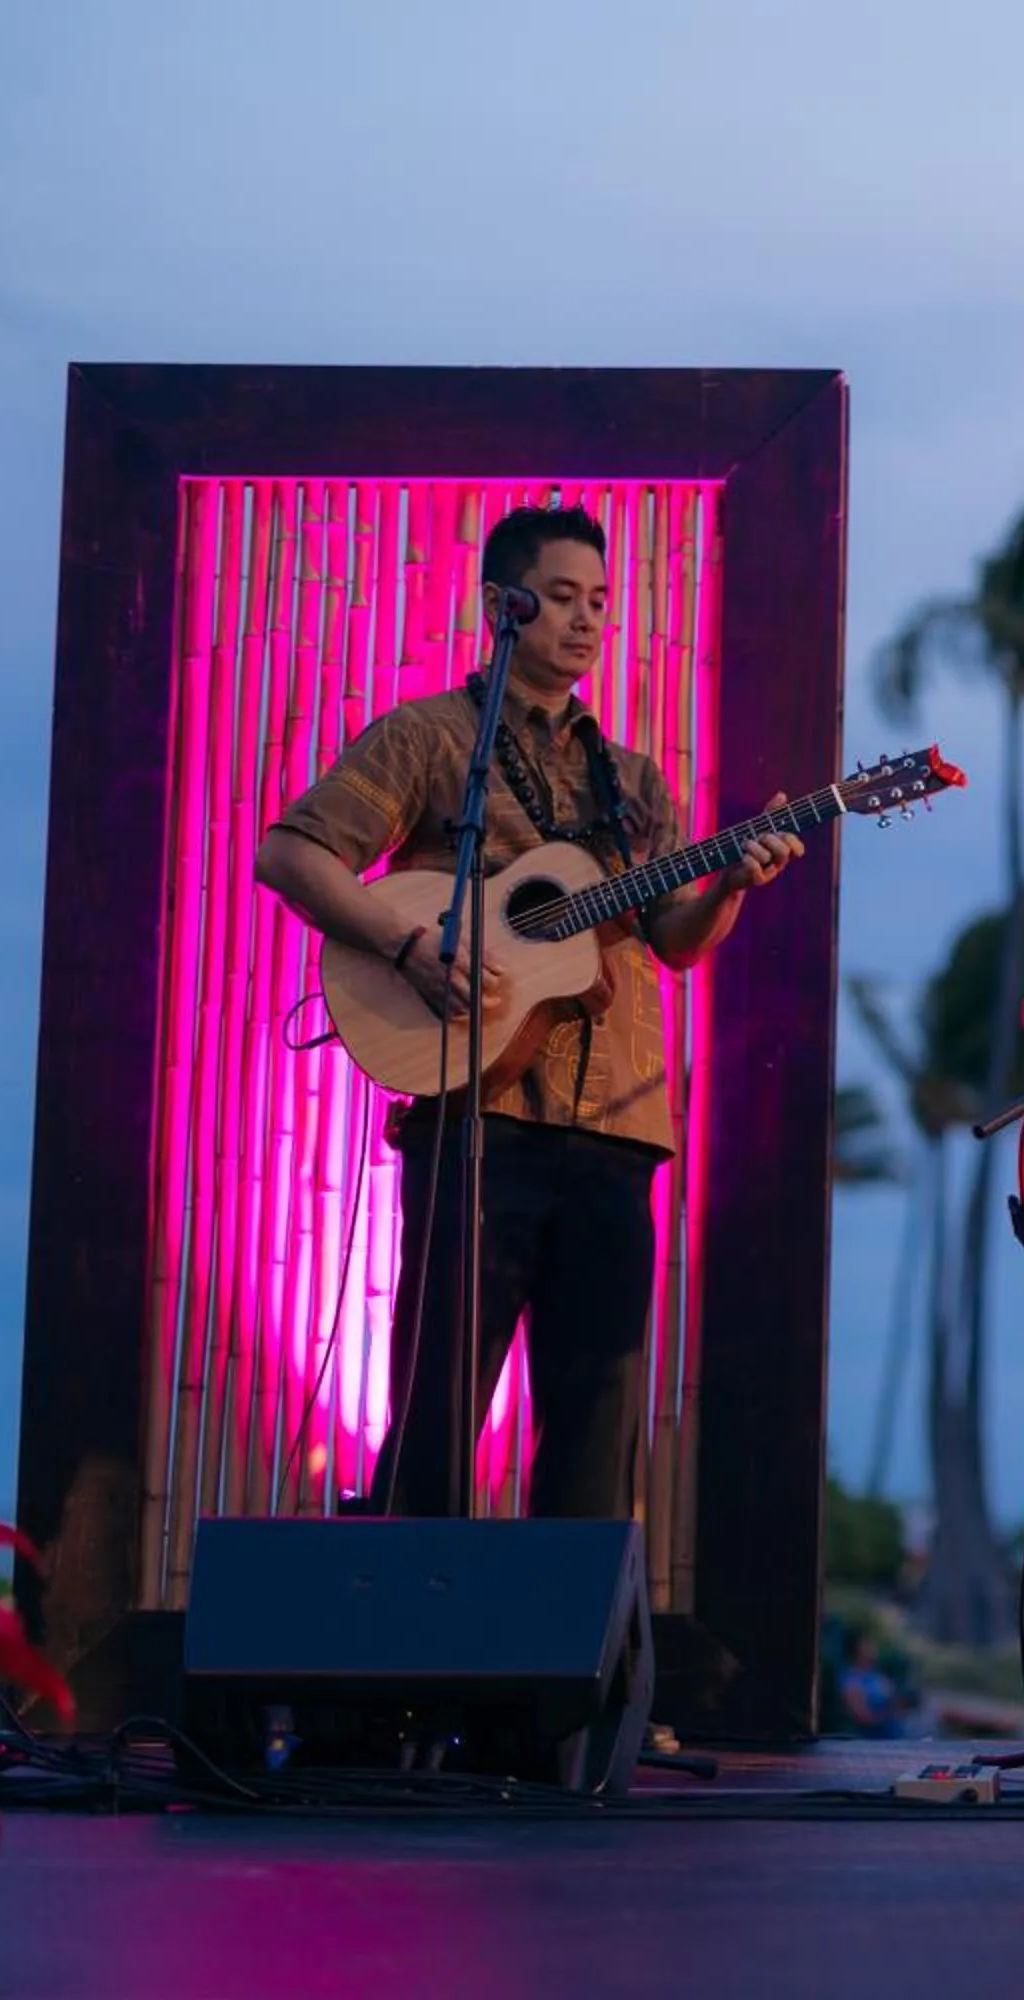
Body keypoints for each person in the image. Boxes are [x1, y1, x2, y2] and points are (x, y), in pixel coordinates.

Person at [254, 504, 803, 1520]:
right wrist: (409, 946)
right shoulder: (429, 736)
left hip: (618, 1128)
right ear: (500, 604)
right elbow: (290, 853)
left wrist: (730, 884)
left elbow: (676, 941)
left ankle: (565, 1626)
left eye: (599, 601)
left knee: (596, 1429)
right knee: (436, 1413)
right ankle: (412, 1609)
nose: (587, 620)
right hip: (476, 1117)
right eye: (560, 597)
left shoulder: (632, 780)